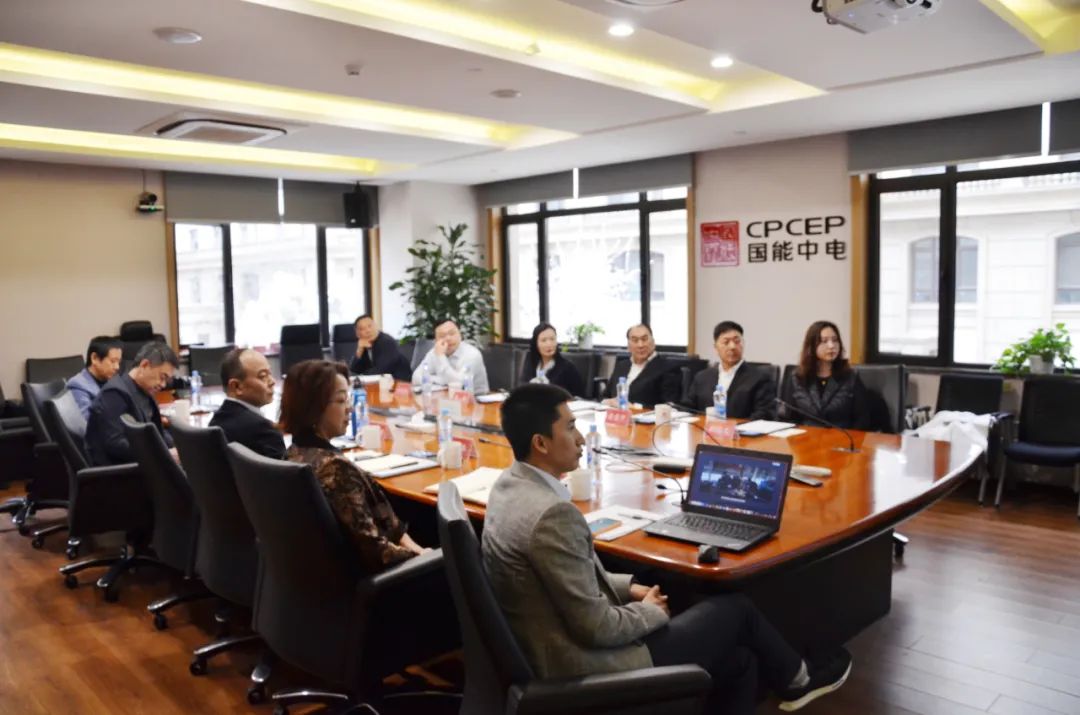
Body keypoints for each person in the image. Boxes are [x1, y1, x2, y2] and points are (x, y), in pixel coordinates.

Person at [483, 384, 852, 713]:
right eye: (570, 427)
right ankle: (799, 680)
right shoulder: (553, 516)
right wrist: (649, 612)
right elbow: (595, 628)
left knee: (740, 661)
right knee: (736, 609)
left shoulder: (509, 486)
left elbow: (569, 577)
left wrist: (630, 587)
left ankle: (792, 677)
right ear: (541, 443)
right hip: (582, 668)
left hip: (546, 644)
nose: (581, 438)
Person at [280, 359, 429, 572]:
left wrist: (413, 546)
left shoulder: (294, 453)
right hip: (379, 580)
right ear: (313, 409)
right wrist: (424, 556)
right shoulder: (334, 469)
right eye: (341, 400)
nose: (350, 408)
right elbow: (376, 553)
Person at [85, 342, 178, 466]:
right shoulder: (114, 394)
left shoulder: (144, 390)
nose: (163, 384)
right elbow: (116, 444)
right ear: (144, 365)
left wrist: (178, 446)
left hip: (143, 463)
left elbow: (157, 431)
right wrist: (162, 454)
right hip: (122, 471)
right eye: (162, 377)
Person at [785, 321, 871, 431]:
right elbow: (787, 418)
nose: (831, 346)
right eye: (824, 341)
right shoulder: (797, 378)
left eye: (835, 340)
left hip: (841, 437)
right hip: (806, 438)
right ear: (811, 346)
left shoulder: (850, 377)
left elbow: (862, 419)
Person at [685, 321, 776, 419]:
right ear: (715, 347)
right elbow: (688, 409)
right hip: (704, 428)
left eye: (737, 341)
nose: (732, 346)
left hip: (742, 429)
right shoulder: (702, 377)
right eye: (726, 342)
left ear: (743, 344)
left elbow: (765, 414)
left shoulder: (760, 378)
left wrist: (734, 426)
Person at [208, 348, 286, 459]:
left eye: (270, 374)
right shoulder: (264, 431)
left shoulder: (216, 421)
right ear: (237, 386)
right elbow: (285, 469)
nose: (272, 381)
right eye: (263, 376)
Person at [604, 323, 678, 408]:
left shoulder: (667, 367)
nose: (640, 345)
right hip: (614, 414)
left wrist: (635, 407)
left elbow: (669, 406)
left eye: (644, 339)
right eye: (635, 340)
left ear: (653, 342)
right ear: (628, 345)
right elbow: (606, 395)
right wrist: (606, 402)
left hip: (643, 415)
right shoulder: (622, 365)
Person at [411, 318, 489, 393]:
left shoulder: (472, 354)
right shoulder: (434, 353)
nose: (448, 338)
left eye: (452, 333)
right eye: (442, 336)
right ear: (435, 340)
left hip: (475, 398)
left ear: (460, 335)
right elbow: (416, 377)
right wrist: (442, 380)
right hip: (445, 397)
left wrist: (441, 357)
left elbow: (459, 384)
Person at [519, 322, 585, 396]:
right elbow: (522, 387)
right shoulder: (530, 362)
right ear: (536, 344)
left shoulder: (567, 367)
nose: (549, 344)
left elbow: (578, 396)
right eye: (543, 340)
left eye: (552, 339)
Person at [67, 336, 123, 419]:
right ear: (95, 358)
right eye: (113, 361)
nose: (117, 367)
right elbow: (88, 421)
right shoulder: (77, 385)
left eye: (119, 362)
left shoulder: (112, 380)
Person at [349, 314, 412, 381]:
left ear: (376, 326)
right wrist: (359, 350)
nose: (368, 331)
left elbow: (380, 370)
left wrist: (360, 378)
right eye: (363, 329)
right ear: (357, 334)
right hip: (383, 382)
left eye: (370, 326)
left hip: (400, 382)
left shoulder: (387, 341)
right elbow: (354, 369)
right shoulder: (365, 344)